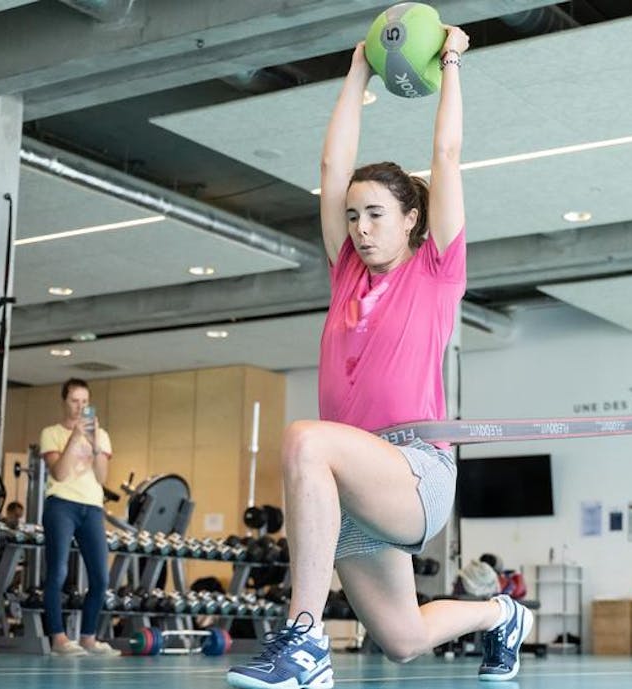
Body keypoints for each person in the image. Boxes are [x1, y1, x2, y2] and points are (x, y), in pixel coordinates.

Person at [226, 27, 531, 689]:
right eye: (354, 216)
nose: (361, 228)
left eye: (376, 215)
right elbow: (332, 171)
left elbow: (446, 155)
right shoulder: (345, 276)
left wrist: (450, 61)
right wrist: (359, 67)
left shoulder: (436, 270)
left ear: (412, 218)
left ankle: (304, 643)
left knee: (305, 439)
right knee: (402, 637)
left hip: (414, 472)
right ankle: (500, 614)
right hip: (355, 486)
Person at [39, 378, 120, 657]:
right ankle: (59, 639)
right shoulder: (51, 433)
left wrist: (95, 445)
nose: (80, 407)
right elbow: (59, 473)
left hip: (92, 507)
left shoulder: (102, 435)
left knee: (100, 577)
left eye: (85, 402)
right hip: (61, 504)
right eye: (75, 400)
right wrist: (74, 439)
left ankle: (88, 637)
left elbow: (101, 477)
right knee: (58, 572)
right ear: (65, 401)